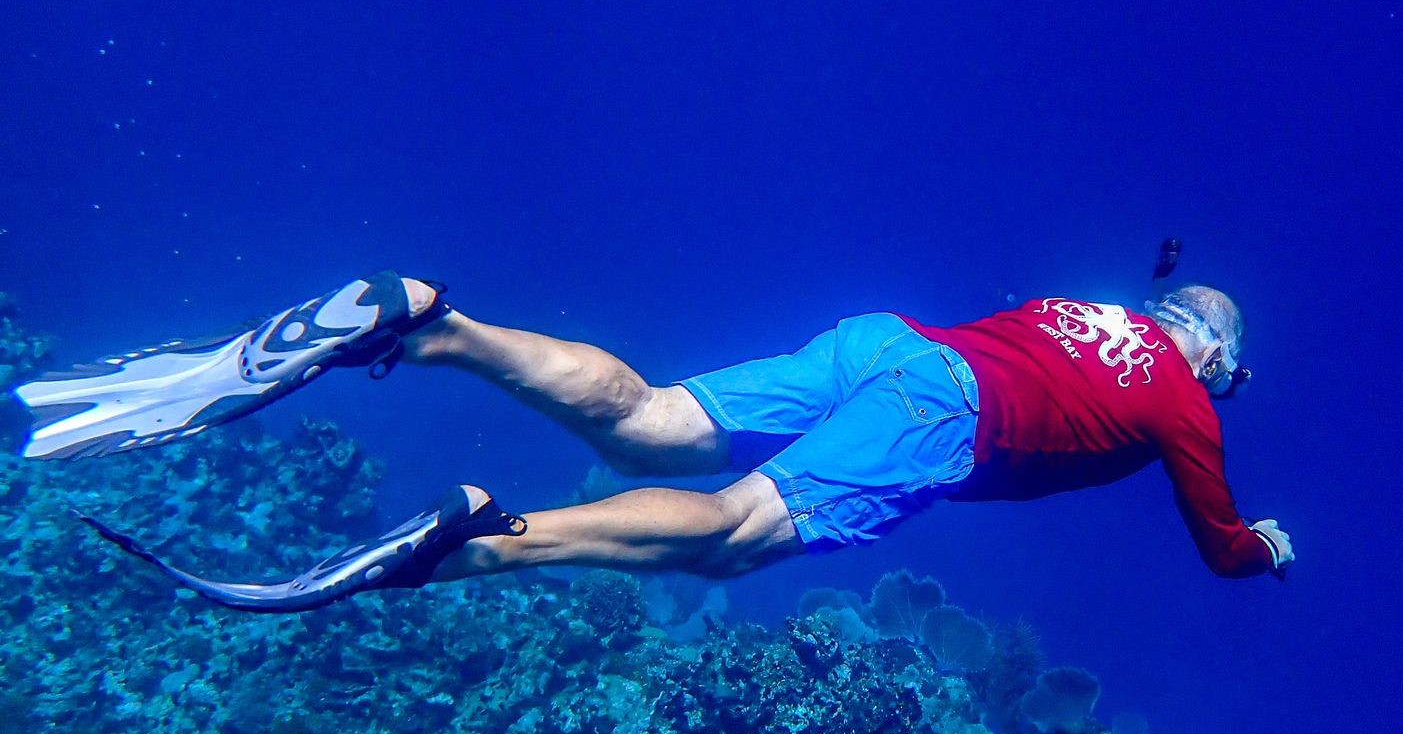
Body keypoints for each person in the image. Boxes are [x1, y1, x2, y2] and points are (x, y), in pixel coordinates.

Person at [13, 271, 1294, 611]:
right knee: (734, 533)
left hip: (894, 343)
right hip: (943, 416)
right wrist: (1270, 549)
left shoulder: (1096, 306)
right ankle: (485, 541)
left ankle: (434, 326)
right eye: (1228, 373)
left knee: (651, 424)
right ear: (1218, 361)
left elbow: (1085, 357)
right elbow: (1221, 547)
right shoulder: (1187, 403)